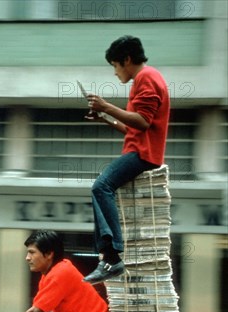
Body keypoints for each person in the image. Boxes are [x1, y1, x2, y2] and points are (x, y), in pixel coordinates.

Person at [83, 35, 170, 284]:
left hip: (144, 154)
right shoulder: (144, 79)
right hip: (140, 150)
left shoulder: (146, 78)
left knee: (101, 186)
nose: (114, 72)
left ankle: (112, 256)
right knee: (102, 189)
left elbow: (143, 122)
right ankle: (108, 256)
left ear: (127, 60)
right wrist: (105, 118)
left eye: (115, 65)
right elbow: (134, 127)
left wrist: (107, 106)